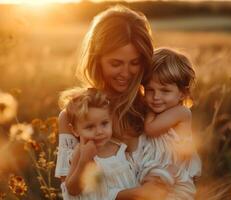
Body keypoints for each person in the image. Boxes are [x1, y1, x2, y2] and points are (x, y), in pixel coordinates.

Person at [55, 5, 197, 200]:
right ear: (97, 60)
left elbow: (184, 173)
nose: (126, 73)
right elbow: (71, 193)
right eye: (116, 63)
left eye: (135, 63)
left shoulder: (154, 108)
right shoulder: (76, 116)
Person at [58, 87, 138, 199]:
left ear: (111, 120)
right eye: (90, 127)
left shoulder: (119, 147)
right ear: (75, 130)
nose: (99, 132)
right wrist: (84, 161)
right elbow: (72, 190)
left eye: (104, 123)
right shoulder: (81, 152)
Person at [143, 48, 202, 198]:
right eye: (150, 90)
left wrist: (144, 106)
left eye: (165, 91)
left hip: (175, 182)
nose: (156, 97)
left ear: (182, 93)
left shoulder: (181, 113)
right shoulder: (161, 111)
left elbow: (150, 129)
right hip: (158, 177)